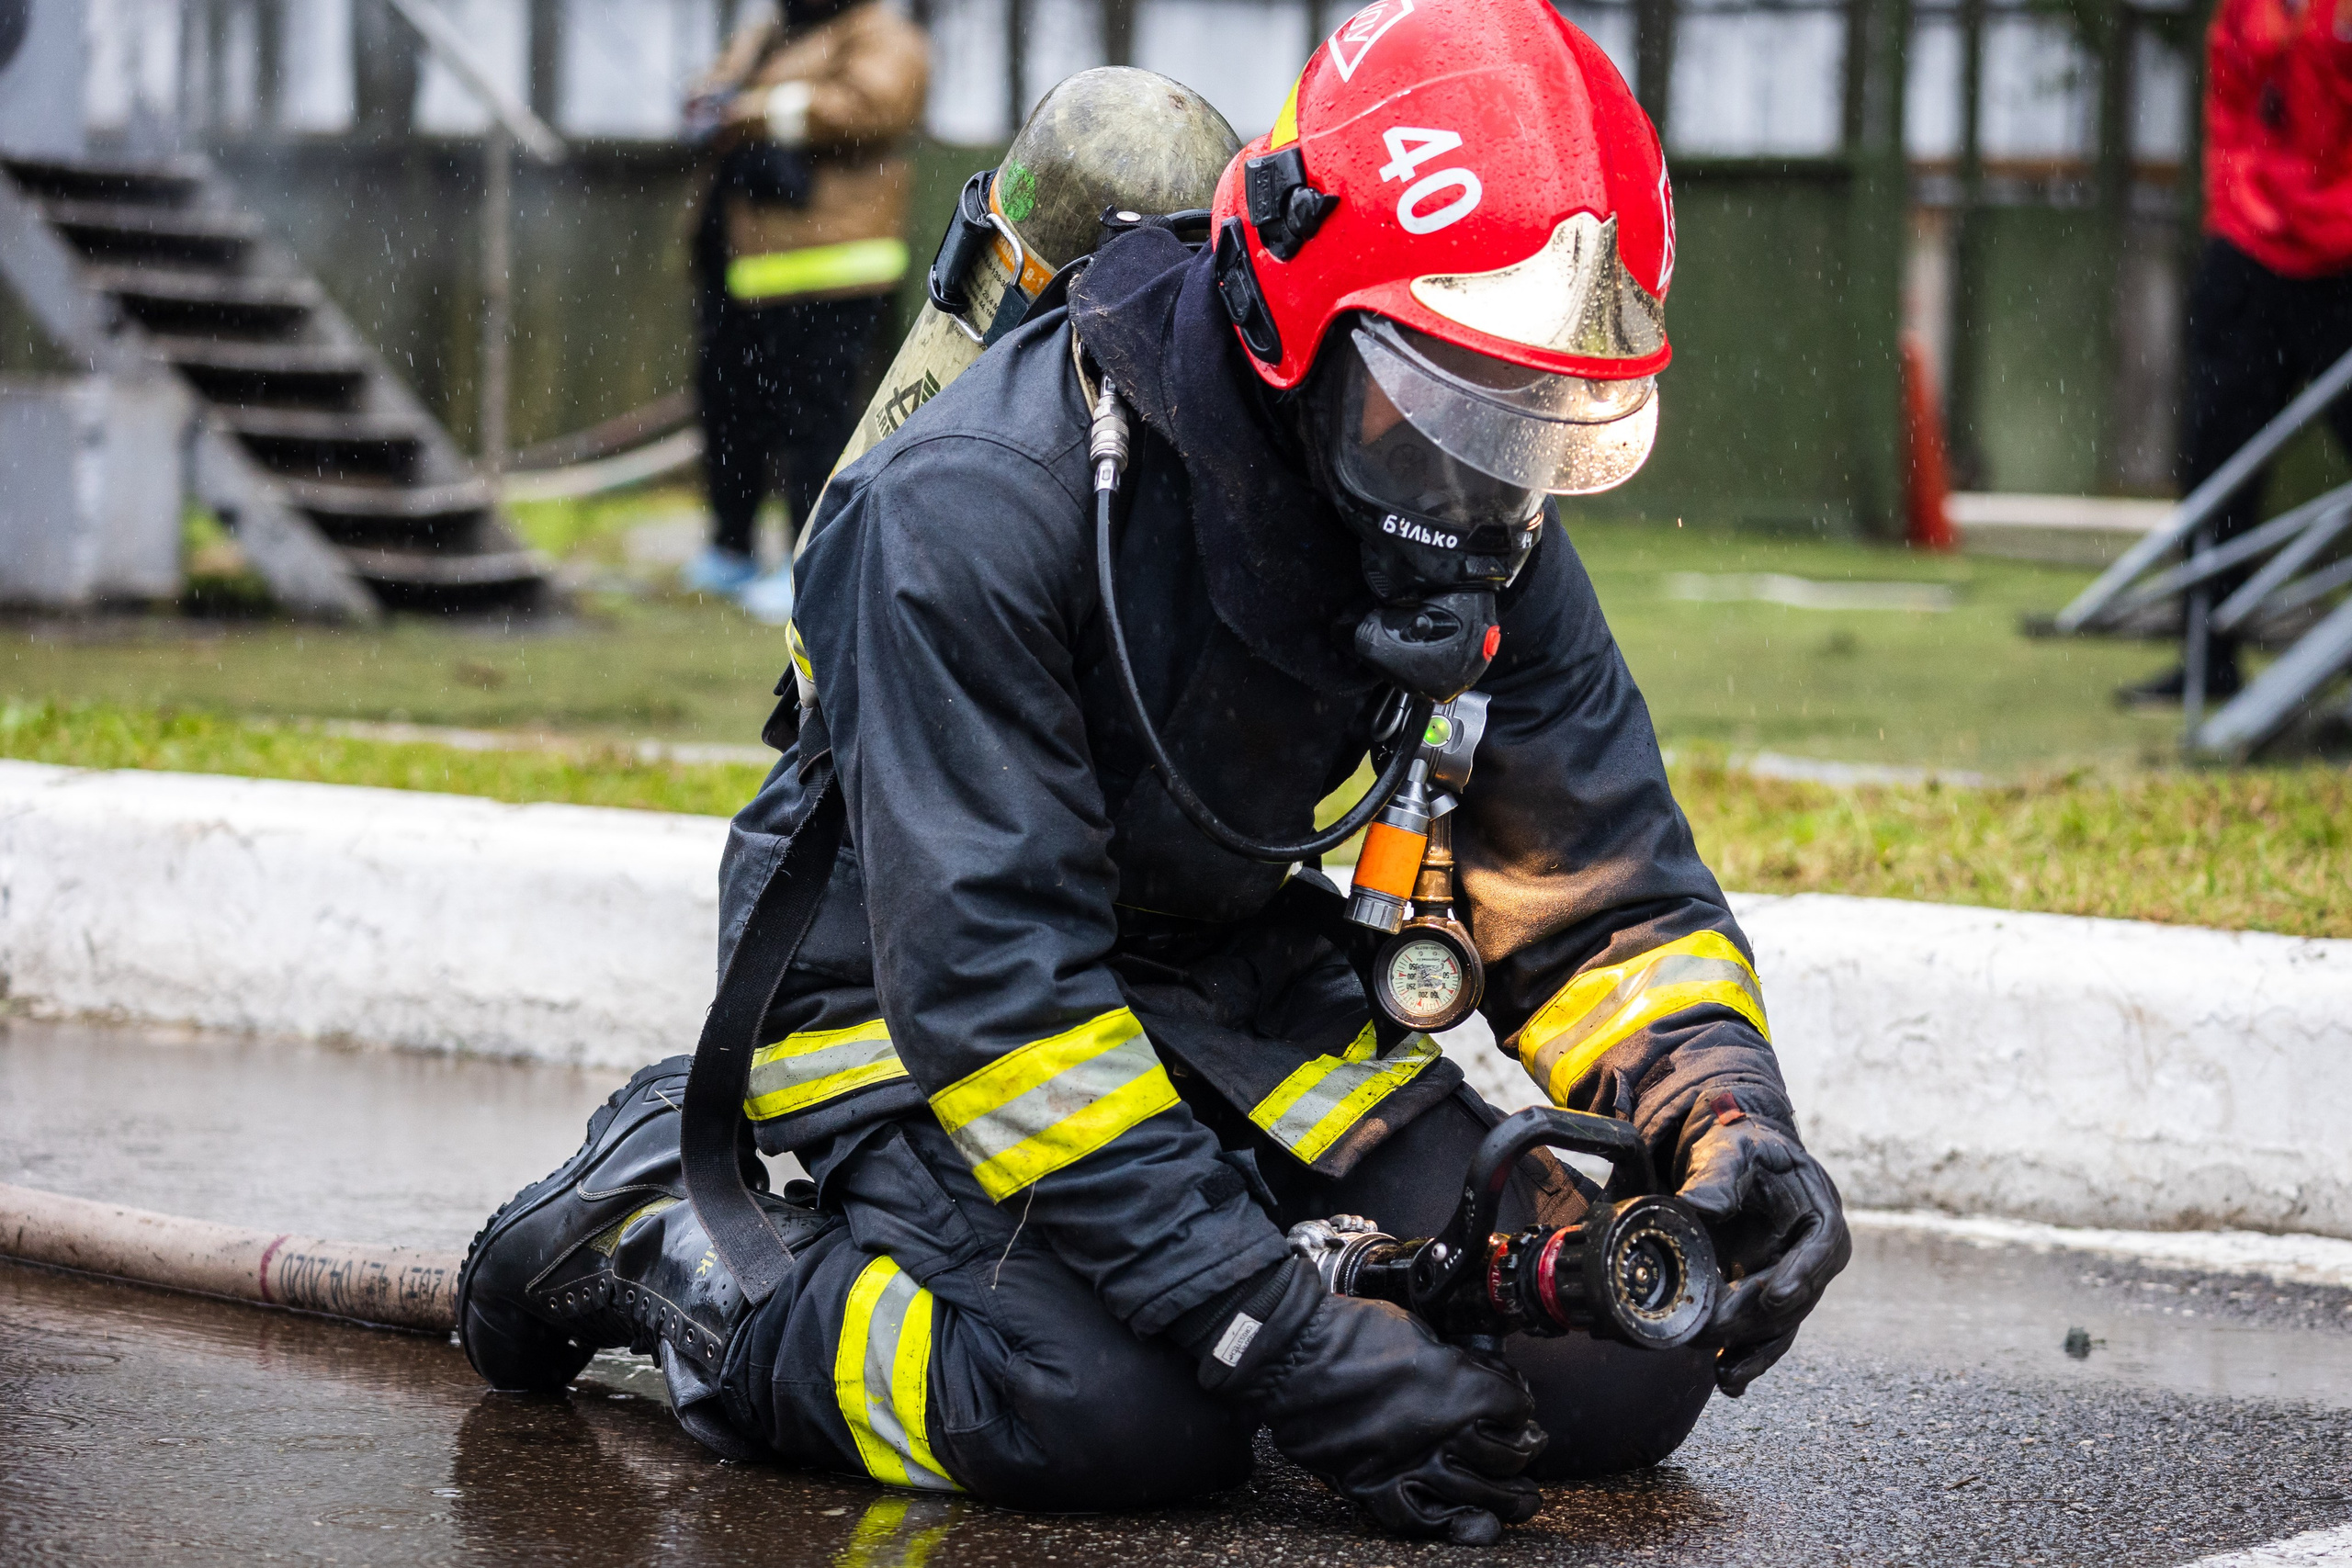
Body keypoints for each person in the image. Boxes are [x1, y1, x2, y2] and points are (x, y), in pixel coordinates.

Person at [458, 1, 1849, 1542]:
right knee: (1114, 1412)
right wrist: (1281, 1332)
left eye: (1534, 424)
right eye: (1442, 407)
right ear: (1285, 316)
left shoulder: (1476, 508)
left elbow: (1604, 894)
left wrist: (1731, 1127)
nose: (1482, 483)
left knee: (1614, 1374)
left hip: (1214, 969)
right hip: (905, 985)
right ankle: (685, 1259)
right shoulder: (973, 511)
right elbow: (1003, 996)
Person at [2120, 0, 2352, 705]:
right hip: (2249, 249)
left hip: (2342, 258)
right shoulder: (2245, 12)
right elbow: (2230, 109)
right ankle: (2206, 657)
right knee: (2216, 457)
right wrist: (2241, 207)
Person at [677, 0, 928, 613]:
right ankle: (730, 551)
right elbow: (715, 92)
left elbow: (872, 109)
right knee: (729, 409)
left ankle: (808, 569)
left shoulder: (884, 34)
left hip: (833, 274)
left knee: (815, 426)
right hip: (745, 269)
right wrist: (711, 104)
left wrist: (755, 114)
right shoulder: (770, 33)